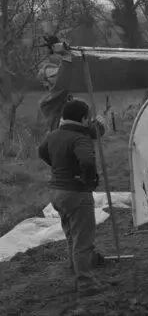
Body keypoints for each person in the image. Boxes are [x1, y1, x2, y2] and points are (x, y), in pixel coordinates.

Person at [38, 98, 107, 297]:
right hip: (75, 193)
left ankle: (74, 267)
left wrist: (60, 167)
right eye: (88, 117)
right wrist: (88, 180)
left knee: (72, 236)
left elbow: (41, 151)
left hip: (56, 193)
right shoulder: (80, 137)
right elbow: (86, 160)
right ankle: (86, 284)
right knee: (84, 240)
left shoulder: (53, 135)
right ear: (84, 118)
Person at [37, 36, 76, 132]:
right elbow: (62, 80)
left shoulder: (52, 100)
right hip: (58, 132)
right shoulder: (49, 101)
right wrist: (66, 56)